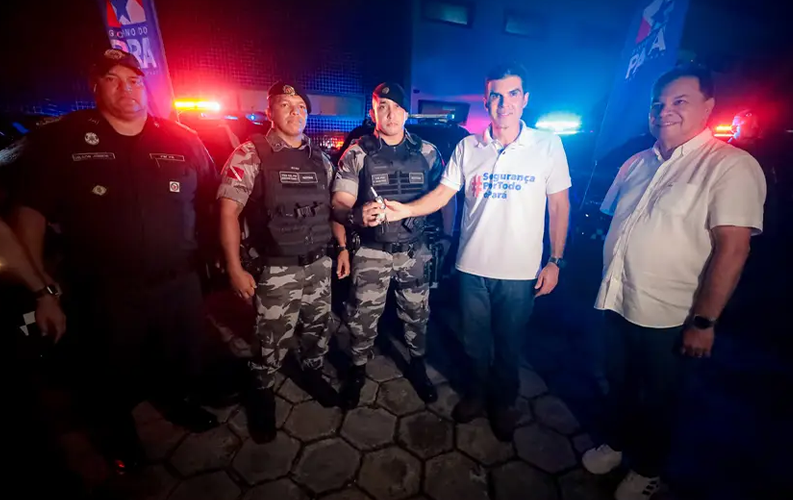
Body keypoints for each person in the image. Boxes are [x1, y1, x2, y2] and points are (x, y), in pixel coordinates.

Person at [11, 48, 221, 470]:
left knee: (178, 354)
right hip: (105, 288)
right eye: (113, 79)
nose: (126, 88)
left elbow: (211, 200)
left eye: (134, 80)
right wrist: (42, 291)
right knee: (109, 369)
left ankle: (176, 401)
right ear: (96, 87)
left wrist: (218, 260)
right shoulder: (62, 139)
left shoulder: (181, 138)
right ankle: (118, 436)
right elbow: (29, 212)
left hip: (177, 282)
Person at [583, 65, 766, 500]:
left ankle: (647, 469)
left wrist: (703, 322)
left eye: (680, 101)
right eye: (658, 103)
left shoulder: (729, 166)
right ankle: (616, 443)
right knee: (618, 384)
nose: (665, 110)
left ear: (708, 107)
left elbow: (733, 249)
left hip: (670, 316)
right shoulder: (637, 162)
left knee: (659, 399)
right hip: (616, 301)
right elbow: (614, 222)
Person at [380, 63, 572, 441]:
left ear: (525, 99)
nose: (504, 103)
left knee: (509, 345)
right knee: (473, 341)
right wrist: (403, 210)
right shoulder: (469, 147)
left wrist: (555, 260)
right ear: (486, 100)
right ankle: (476, 393)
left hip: (519, 272)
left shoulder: (547, 145)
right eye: (496, 95)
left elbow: (559, 206)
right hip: (472, 268)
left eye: (512, 94)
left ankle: (504, 402)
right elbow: (442, 194)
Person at [218, 81, 339, 443]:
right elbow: (228, 212)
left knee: (318, 328)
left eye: (301, 106)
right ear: (269, 111)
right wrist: (234, 268)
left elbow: (333, 208)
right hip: (275, 268)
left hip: (319, 264)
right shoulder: (250, 154)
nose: (295, 112)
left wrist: (343, 248)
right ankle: (262, 389)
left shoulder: (320, 159)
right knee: (271, 337)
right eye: (285, 105)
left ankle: (312, 371)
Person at [331, 82, 453, 409]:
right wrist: (355, 214)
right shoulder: (357, 153)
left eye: (397, 108)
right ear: (373, 112)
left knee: (417, 313)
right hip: (372, 251)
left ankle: (417, 364)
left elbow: (446, 196)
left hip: (415, 249)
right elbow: (339, 202)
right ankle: (358, 369)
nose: (390, 114)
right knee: (362, 315)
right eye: (382, 107)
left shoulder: (428, 153)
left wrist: (447, 236)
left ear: (406, 113)